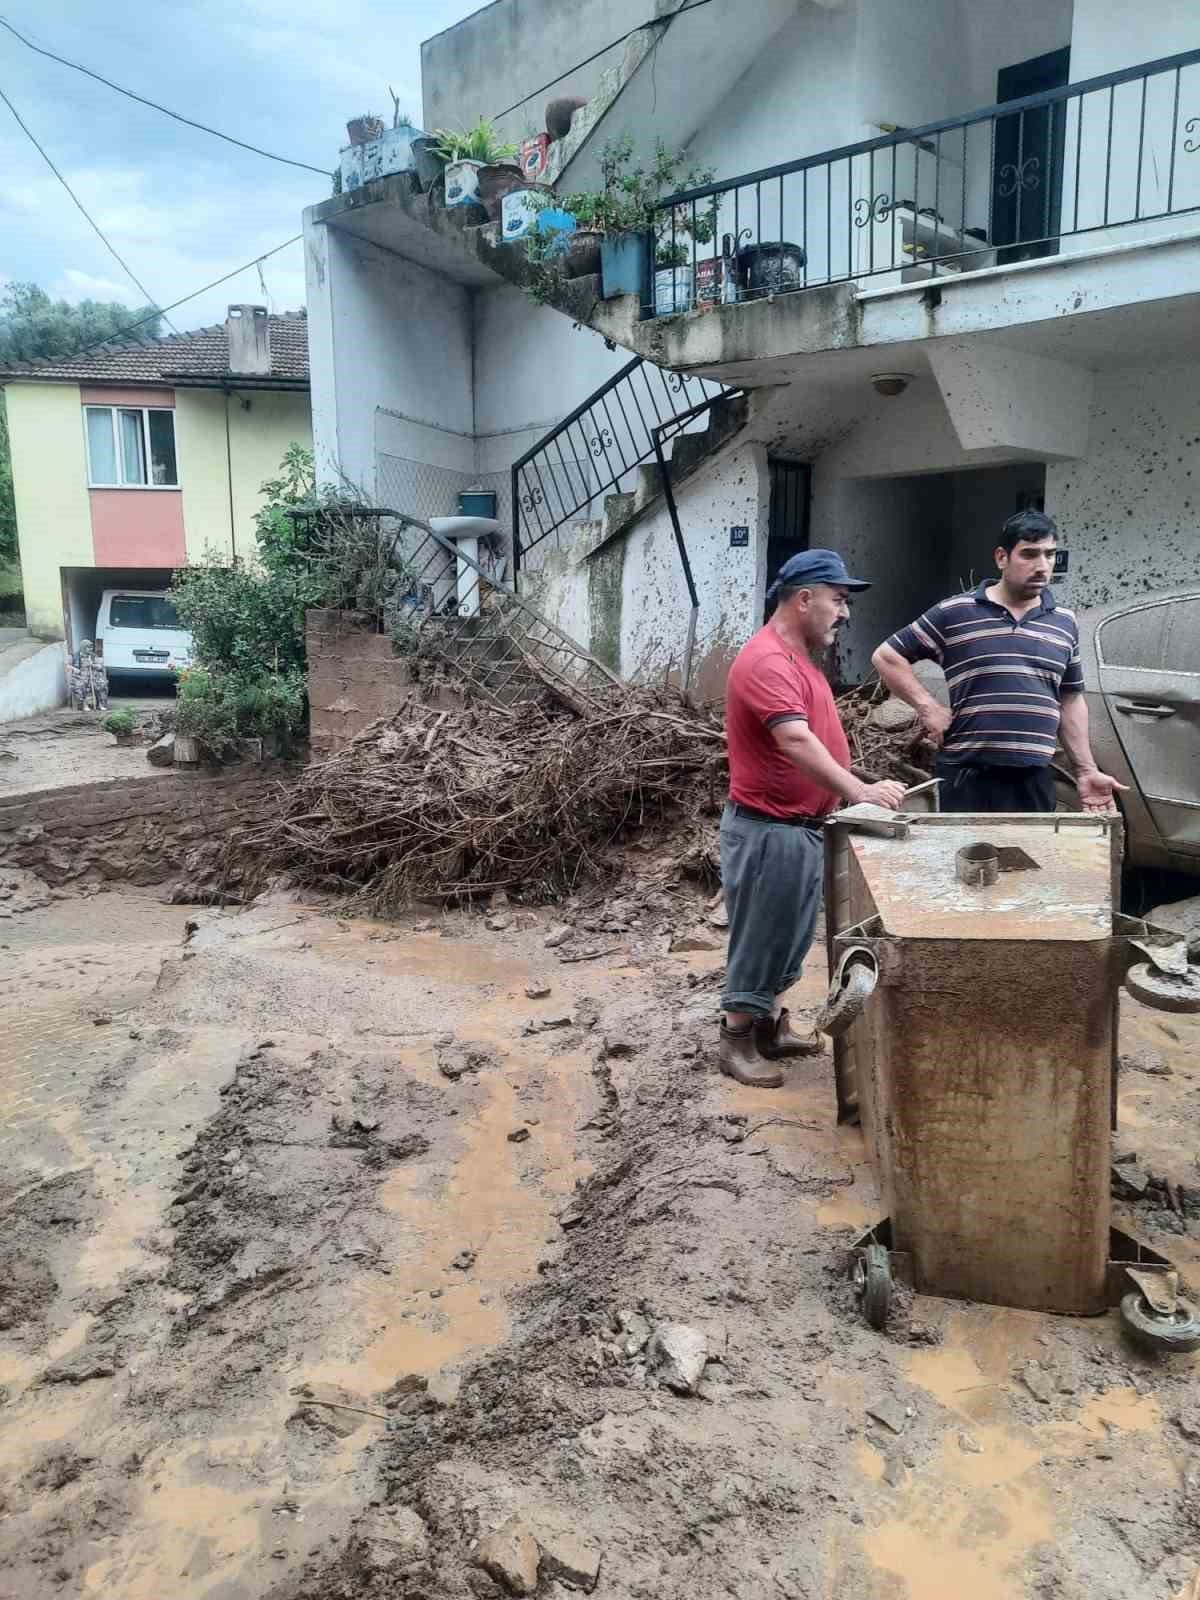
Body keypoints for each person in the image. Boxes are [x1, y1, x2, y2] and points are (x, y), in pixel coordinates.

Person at [719, 550, 905, 1089]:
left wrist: (847, 788)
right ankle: (735, 1041)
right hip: (768, 827)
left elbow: (816, 739)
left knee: (789, 934)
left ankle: (770, 1027)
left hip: (797, 825)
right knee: (760, 936)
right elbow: (796, 740)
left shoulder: (799, 657)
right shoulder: (768, 661)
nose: (844, 612)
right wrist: (859, 791)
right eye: (838, 600)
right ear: (804, 599)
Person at [871, 510, 1127, 815]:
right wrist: (928, 708)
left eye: (1049, 555)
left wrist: (1085, 770)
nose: (1042, 566)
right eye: (1029, 555)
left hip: (1033, 777)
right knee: (962, 861)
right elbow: (886, 656)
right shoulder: (955, 612)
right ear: (1001, 557)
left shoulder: (1064, 622)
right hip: (967, 775)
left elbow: (1070, 699)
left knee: (1027, 862)